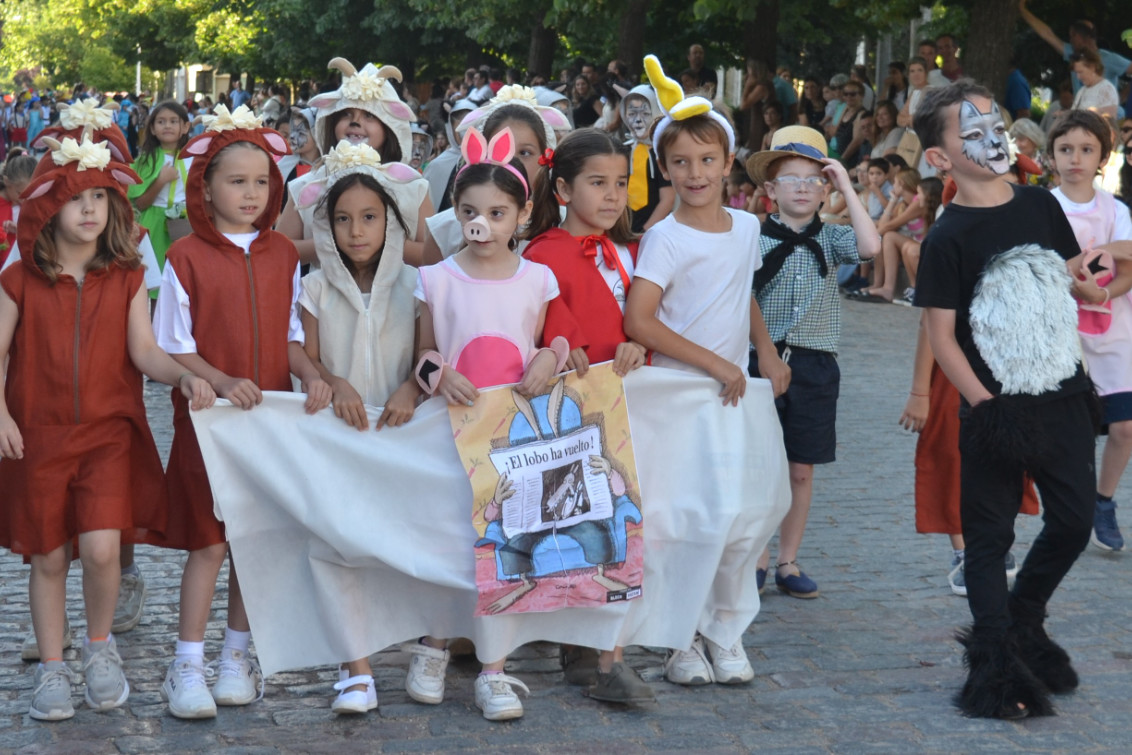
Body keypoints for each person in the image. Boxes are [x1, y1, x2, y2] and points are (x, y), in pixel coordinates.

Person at [0, 136, 215, 721]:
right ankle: (51, 671)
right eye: (77, 199)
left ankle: (99, 650)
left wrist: (185, 378)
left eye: (100, 196)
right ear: (47, 207)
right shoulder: (18, 278)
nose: (90, 209)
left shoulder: (124, 277)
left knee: (100, 549)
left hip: (107, 435)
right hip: (37, 437)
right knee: (47, 558)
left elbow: (145, 352)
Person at [912, 80, 1103, 719]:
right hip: (994, 409)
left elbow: (1067, 279)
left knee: (1075, 520)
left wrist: (1095, 287)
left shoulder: (1043, 206)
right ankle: (993, 664)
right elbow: (941, 336)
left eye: (995, 123)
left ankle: (1025, 619)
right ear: (940, 157)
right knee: (989, 540)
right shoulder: (946, 238)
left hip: (1063, 391)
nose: (991, 138)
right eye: (970, 132)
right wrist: (986, 406)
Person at [152, 105, 331, 720]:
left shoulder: (284, 253)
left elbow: (289, 338)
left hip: (271, 421)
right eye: (237, 181)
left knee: (255, 544)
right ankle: (187, 662)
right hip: (210, 423)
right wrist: (220, 381)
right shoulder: (185, 259)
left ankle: (236, 656)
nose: (252, 193)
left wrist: (310, 375)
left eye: (262, 181)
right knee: (208, 544)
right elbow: (173, 345)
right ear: (205, 187)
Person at [623, 55, 791, 685]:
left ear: (728, 163)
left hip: (733, 393)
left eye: (706, 160)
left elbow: (740, 293)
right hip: (680, 394)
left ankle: (726, 628)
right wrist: (717, 362)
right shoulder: (664, 237)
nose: (695, 173)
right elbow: (641, 320)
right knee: (687, 516)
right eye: (681, 163)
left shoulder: (747, 227)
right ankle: (680, 638)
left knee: (748, 510)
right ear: (664, 168)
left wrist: (765, 352)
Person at [413, 126, 567, 720]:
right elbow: (423, 354)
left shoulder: (538, 278)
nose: (483, 223)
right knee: (452, 542)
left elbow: (551, 339)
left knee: (510, 544)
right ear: (455, 210)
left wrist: (551, 357)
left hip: (518, 439)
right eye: (470, 210)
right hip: (452, 434)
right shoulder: (437, 278)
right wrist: (437, 375)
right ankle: (433, 646)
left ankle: (495, 670)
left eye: (497, 212)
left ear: (523, 213)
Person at [521, 127, 654, 703]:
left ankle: (597, 648)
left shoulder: (629, 252)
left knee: (615, 516)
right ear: (563, 187)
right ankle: (588, 649)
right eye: (597, 183)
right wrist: (560, 340)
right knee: (574, 521)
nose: (611, 195)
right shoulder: (541, 254)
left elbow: (643, 319)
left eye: (620, 184)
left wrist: (637, 347)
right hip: (573, 411)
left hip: (630, 405)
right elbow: (537, 312)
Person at [297, 142, 423, 714]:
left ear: (392, 221)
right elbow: (303, 355)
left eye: (369, 217)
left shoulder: (417, 285)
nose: (356, 231)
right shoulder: (315, 286)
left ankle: (430, 645)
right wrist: (331, 380)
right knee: (343, 545)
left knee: (410, 540)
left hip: (405, 435)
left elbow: (434, 354)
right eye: (342, 220)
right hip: (340, 436)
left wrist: (411, 389)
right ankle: (356, 667)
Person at [743, 126, 880, 596]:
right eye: (790, 179)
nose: (802, 187)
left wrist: (846, 185)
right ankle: (756, 555)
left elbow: (872, 248)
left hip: (816, 366)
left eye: (813, 179)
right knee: (761, 465)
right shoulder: (752, 240)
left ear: (825, 190)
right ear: (769, 191)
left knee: (801, 468)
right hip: (761, 361)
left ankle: (789, 560)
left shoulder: (834, 238)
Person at [1047, 110, 1132, 551]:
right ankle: (1074, 506)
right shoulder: (1042, 206)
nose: (1075, 158)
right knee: (1075, 430)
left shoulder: (1115, 209)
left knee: (1125, 428)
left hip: (1113, 330)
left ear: (1103, 156)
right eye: (1065, 149)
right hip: (1061, 335)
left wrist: (1101, 293)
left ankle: (1103, 500)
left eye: (1086, 149)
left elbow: (1129, 263)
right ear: (1052, 155)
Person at [277, 58, 432, 267]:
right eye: (347, 114)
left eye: (369, 116)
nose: (355, 122)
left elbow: (433, 255)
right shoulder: (308, 185)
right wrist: (329, 242)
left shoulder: (412, 186)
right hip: (324, 297)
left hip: (397, 297)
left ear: (389, 128)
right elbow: (279, 251)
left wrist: (383, 241)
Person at [422, 86, 570, 261]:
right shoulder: (444, 230)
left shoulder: (567, 224)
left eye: (525, 153)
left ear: (545, 157)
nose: (512, 164)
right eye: (500, 149)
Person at [128, 101, 192, 292]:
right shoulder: (147, 160)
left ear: (185, 127)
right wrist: (161, 181)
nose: (167, 126)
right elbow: (140, 203)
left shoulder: (194, 158)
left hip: (185, 225)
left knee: (181, 285)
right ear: (153, 129)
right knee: (155, 286)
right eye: (161, 122)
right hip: (154, 225)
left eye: (174, 121)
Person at [1019, 2, 1132, 97]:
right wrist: (1022, 10)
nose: (1070, 40)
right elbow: (1048, 35)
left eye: (1073, 35)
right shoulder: (1073, 53)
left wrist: (1120, 99)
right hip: (1083, 116)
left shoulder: (1109, 59)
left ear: (1083, 38)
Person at [864, 168, 929, 303]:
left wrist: (869, 239)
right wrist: (893, 200)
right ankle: (880, 285)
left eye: (895, 183)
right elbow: (884, 224)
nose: (893, 186)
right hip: (914, 243)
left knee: (888, 236)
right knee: (886, 235)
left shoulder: (918, 202)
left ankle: (888, 288)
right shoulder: (902, 203)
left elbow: (890, 226)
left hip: (924, 246)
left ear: (902, 184)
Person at [620, 83, 674, 232]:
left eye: (645, 114)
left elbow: (668, 199)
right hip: (622, 230)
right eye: (631, 114)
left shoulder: (661, 152)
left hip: (651, 231)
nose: (638, 120)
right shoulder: (622, 151)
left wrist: (646, 231)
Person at [0, 152, 35, 267]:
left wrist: (19, 230)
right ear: (6, 182)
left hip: (18, 264)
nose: (24, 200)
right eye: (20, 193)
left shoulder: (29, 205)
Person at [1070, 49, 1120, 124]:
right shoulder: (1082, 91)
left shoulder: (1107, 89)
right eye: (1076, 73)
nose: (1078, 77)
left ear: (1092, 67)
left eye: (1080, 72)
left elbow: (1109, 120)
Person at [897, 57, 933, 129]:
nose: (916, 74)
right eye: (912, 71)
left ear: (926, 72)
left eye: (920, 70)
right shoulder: (914, 92)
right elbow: (899, 119)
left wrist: (907, 120)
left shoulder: (930, 91)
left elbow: (919, 119)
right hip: (911, 135)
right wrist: (909, 119)